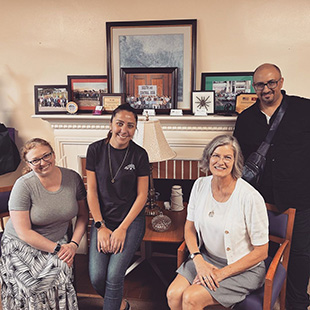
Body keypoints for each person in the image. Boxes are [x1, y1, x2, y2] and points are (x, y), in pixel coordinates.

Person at [233, 63, 310, 310]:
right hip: (259, 200)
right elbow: (238, 158)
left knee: (300, 254)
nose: (266, 89)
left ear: (281, 82)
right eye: (260, 84)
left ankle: (296, 302)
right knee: (258, 252)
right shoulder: (245, 119)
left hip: (299, 197)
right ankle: (263, 296)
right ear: (254, 87)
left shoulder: (304, 109)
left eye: (271, 82)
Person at [166, 135, 268, 309]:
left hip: (243, 269)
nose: (221, 162)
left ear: (235, 162)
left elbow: (261, 252)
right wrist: (198, 261)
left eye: (227, 157)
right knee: (173, 294)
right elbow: (189, 228)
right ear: (208, 158)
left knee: (191, 297)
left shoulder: (250, 197)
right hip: (205, 258)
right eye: (216, 155)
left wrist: (220, 274)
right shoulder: (200, 185)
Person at [0, 138, 89, 310]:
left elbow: (84, 215)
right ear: (28, 163)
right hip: (20, 244)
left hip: (58, 240)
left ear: (53, 154)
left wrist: (73, 244)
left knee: (61, 270)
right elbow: (24, 232)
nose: (42, 162)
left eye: (46, 155)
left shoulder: (73, 178)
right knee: (32, 286)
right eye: (35, 160)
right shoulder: (24, 185)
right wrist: (58, 249)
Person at [86, 104, 149, 310]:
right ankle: (121, 305)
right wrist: (100, 226)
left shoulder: (140, 154)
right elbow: (92, 192)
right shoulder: (95, 150)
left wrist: (122, 229)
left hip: (130, 221)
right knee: (97, 277)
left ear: (135, 128)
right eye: (120, 123)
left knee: (114, 275)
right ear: (111, 124)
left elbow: (142, 195)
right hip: (102, 220)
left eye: (130, 126)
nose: (124, 130)